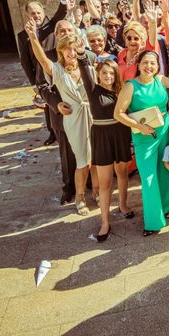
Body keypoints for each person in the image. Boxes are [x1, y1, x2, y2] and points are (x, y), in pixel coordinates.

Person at [25, 21, 97, 216]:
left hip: (92, 115)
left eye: (75, 49)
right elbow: (41, 59)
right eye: (68, 50)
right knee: (83, 161)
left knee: (96, 159)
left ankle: (97, 191)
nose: (72, 53)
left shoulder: (88, 66)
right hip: (73, 119)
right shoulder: (57, 70)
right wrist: (33, 37)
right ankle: (80, 197)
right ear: (62, 51)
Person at [114, 50, 169, 236]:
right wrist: (138, 127)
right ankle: (153, 222)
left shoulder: (161, 80)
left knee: (164, 171)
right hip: (144, 136)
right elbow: (118, 113)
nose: (149, 66)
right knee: (149, 178)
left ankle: (167, 207)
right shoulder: (131, 86)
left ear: (157, 66)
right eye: (145, 62)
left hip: (164, 131)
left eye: (153, 63)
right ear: (138, 64)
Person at [76, 44, 133, 241]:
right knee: (105, 182)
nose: (108, 76)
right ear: (99, 74)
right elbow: (84, 69)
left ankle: (123, 205)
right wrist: (82, 54)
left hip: (121, 133)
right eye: (105, 73)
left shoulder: (122, 90)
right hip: (101, 136)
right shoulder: (93, 89)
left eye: (111, 73)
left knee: (123, 173)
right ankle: (105, 222)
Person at [17, 0, 72, 146]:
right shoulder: (22, 36)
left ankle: (64, 129)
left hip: (56, 69)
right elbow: (25, 60)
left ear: (43, 13)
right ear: (28, 15)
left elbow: (60, 15)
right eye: (33, 13)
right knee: (48, 105)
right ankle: (52, 133)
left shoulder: (51, 26)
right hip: (41, 76)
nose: (36, 16)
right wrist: (33, 81)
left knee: (61, 100)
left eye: (38, 12)